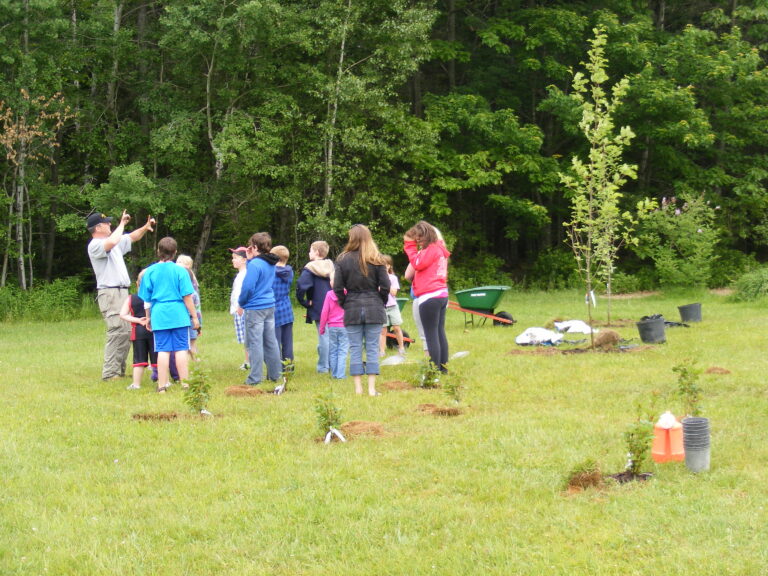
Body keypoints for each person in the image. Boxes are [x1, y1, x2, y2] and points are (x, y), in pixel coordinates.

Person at [87, 209, 155, 381]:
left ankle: (119, 371)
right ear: (98, 227)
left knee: (126, 331)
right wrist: (122, 224)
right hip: (110, 293)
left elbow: (131, 237)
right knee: (117, 330)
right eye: (107, 223)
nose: (110, 224)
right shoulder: (95, 245)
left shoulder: (114, 241)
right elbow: (112, 242)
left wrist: (145, 227)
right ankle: (110, 373)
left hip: (121, 292)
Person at [334, 224, 390, 396]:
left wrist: (345, 302)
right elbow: (385, 286)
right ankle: (372, 389)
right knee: (373, 347)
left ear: (352, 238)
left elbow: (337, 288)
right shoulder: (377, 258)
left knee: (355, 347)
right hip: (374, 306)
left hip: (352, 307)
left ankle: (358, 388)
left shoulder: (342, 259)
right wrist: (380, 301)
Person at [138, 237, 200, 393]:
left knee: (163, 350)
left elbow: (146, 299)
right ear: (175, 252)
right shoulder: (181, 271)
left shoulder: (149, 271)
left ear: (158, 251)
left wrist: (148, 317)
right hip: (178, 312)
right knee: (181, 349)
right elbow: (187, 296)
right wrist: (194, 317)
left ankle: (162, 385)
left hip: (159, 313)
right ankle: (185, 384)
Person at [404, 221, 450, 373]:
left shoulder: (430, 249)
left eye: (419, 237)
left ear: (426, 235)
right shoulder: (439, 248)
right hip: (441, 293)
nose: (417, 241)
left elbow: (417, 264)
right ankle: (443, 369)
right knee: (439, 332)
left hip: (429, 296)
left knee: (431, 336)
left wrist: (409, 247)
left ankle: (434, 372)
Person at [238, 232, 283, 386]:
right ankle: (275, 374)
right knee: (271, 341)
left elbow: (248, 286)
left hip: (255, 307)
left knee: (254, 343)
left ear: (255, 247)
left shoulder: (256, 264)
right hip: (269, 305)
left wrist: (242, 302)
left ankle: (254, 378)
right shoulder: (270, 262)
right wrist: (251, 259)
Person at [296, 240, 334, 374]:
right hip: (334, 305)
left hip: (319, 305)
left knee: (323, 336)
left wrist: (304, 301)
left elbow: (301, 285)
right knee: (332, 336)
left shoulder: (310, 268)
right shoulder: (331, 266)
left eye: (310, 250)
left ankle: (323, 367)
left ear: (317, 252)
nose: (309, 252)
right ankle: (332, 364)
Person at [119, 269, 156, 390]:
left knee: (139, 359)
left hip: (138, 332)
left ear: (137, 283)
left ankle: (136, 384)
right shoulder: (155, 297)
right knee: (158, 357)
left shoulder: (131, 298)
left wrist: (138, 320)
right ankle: (164, 381)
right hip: (154, 330)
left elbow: (123, 314)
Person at [318, 270, 349, 379]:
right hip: (345, 327)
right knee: (342, 351)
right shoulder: (348, 294)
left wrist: (322, 328)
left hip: (332, 327)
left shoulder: (329, 295)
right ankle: (340, 375)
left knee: (333, 351)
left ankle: (335, 374)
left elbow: (324, 312)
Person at [270, 245, 295, 372]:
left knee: (274, 343)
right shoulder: (289, 271)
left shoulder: (271, 273)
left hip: (274, 310)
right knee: (288, 342)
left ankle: (276, 370)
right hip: (287, 309)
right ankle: (289, 368)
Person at [379, 255, 406, 357]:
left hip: (393, 306)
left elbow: (394, 293)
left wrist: (386, 282)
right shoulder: (377, 278)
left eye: (385, 265)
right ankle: (382, 351)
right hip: (382, 307)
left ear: (389, 266)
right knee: (383, 330)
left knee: (396, 327)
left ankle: (402, 348)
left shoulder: (393, 278)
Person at [176, 254, 202, 360]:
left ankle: (194, 360)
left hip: (189, 315)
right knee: (190, 342)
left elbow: (192, 299)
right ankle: (194, 360)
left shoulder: (184, 275)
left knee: (189, 342)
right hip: (191, 315)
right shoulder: (190, 276)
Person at [229, 246, 250, 370]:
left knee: (248, 337)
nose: (233, 260)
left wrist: (240, 307)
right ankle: (247, 360)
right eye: (233, 258)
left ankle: (249, 362)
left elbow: (244, 292)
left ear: (244, 260)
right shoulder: (240, 274)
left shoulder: (245, 274)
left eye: (236, 258)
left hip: (242, 309)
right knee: (245, 338)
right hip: (238, 309)